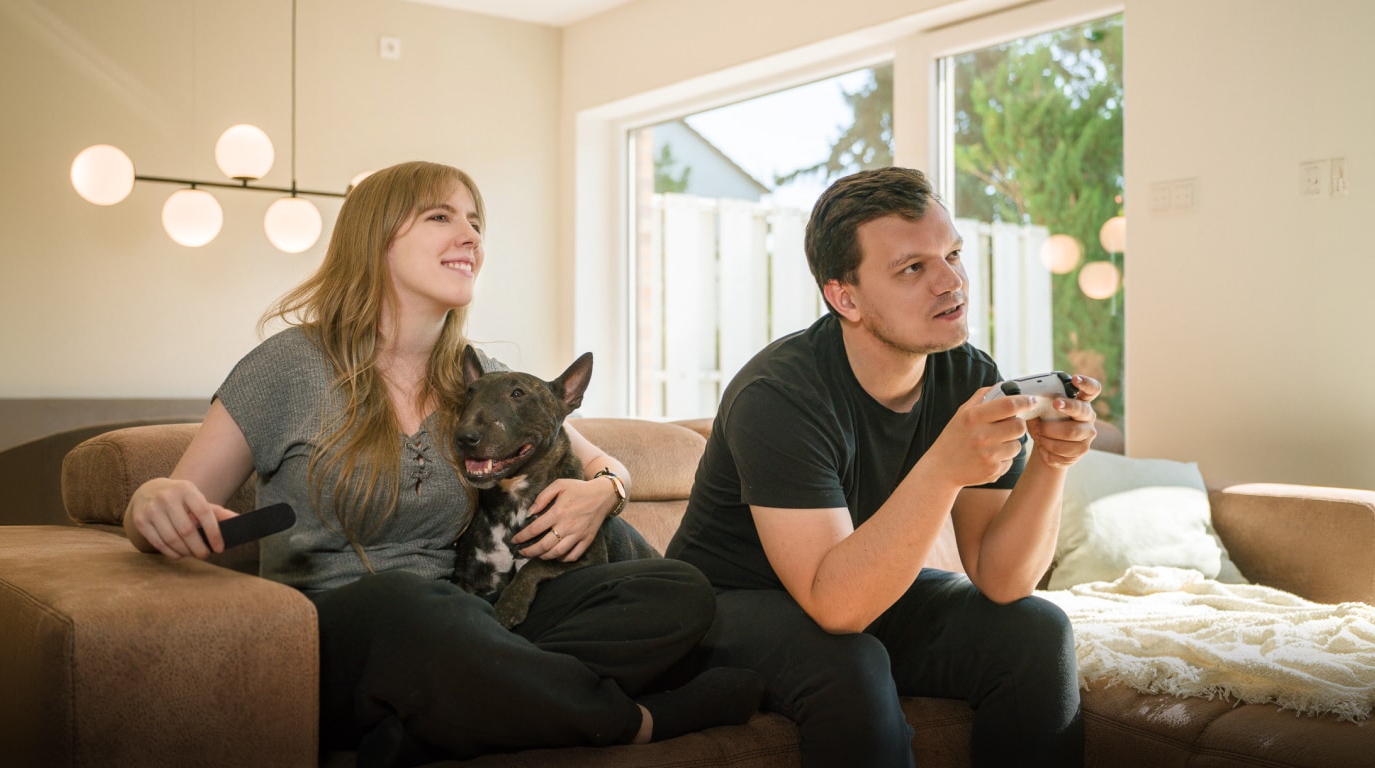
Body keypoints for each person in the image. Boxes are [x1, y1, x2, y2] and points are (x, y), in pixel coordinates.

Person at [122, 161, 762, 766]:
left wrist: (606, 493)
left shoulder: (477, 379)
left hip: (471, 619)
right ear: (375, 239)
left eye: (476, 222)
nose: (471, 237)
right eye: (441, 218)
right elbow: (167, 503)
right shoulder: (287, 366)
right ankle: (637, 721)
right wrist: (150, 500)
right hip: (337, 632)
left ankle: (442, 720)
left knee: (677, 591)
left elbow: (599, 464)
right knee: (416, 607)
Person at [665, 166, 1099, 767]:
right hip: (726, 607)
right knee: (849, 658)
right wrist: (944, 468)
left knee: (1034, 631)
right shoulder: (780, 394)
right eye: (913, 268)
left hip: (856, 580)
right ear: (845, 297)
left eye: (952, 254)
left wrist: (1052, 462)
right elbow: (836, 608)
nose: (952, 282)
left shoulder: (967, 374)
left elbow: (1003, 579)